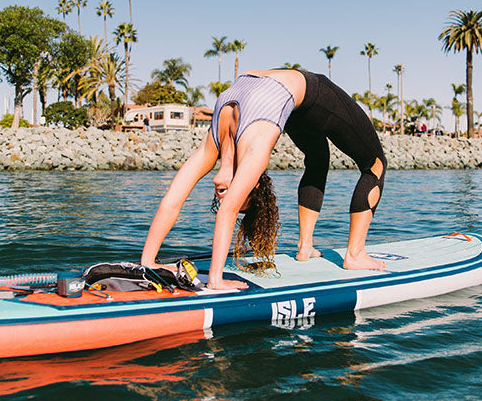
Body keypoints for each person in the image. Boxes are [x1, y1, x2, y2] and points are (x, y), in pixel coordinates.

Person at [140, 69, 387, 290]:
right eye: (241, 197)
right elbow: (184, 202)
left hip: (299, 94)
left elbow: (200, 205)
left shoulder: (213, 146)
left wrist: (214, 279)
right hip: (298, 94)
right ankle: (328, 250)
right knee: (364, 163)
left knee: (344, 161)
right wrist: (148, 263)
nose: (226, 197)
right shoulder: (254, 152)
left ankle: (336, 251)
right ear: (254, 183)